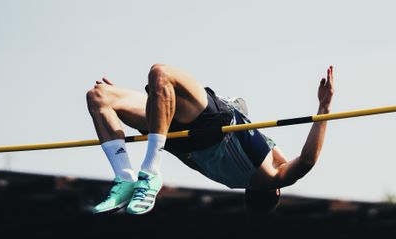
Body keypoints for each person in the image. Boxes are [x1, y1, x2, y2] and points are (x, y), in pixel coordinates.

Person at [86, 64, 335, 216]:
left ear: (276, 192)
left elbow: (307, 160)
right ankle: (125, 180)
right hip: (178, 136)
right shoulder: (247, 171)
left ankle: (150, 172)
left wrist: (324, 108)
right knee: (100, 97)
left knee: (160, 73)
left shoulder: (270, 176)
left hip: (210, 123)